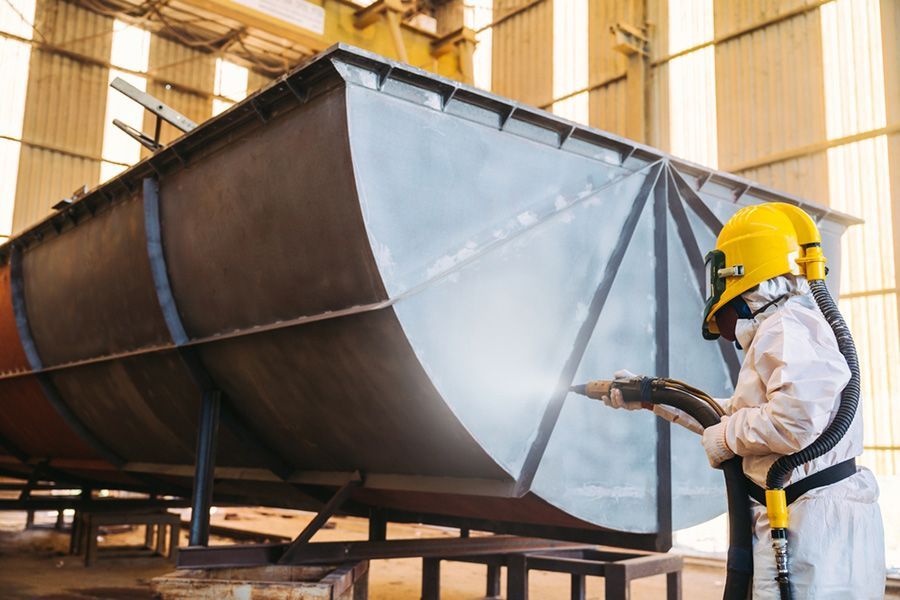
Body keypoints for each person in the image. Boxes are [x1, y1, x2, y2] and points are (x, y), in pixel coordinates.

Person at [602, 203, 885, 598]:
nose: (724, 335)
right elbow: (744, 416)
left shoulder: (785, 327)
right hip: (805, 518)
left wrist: (725, 439)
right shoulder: (785, 327)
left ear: (740, 287)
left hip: (812, 527)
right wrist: (653, 398)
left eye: (722, 317)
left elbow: (793, 423)